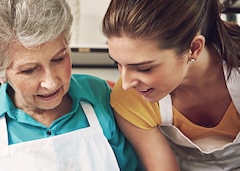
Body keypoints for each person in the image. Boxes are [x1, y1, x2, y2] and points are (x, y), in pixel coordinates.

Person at [0, 0, 143, 170]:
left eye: (58, 59)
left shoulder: (101, 95)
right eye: (29, 70)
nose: (50, 83)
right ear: (0, 72)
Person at [102, 0, 240, 170]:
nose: (126, 83)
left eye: (144, 68)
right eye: (117, 63)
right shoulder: (130, 98)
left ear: (194, 48)